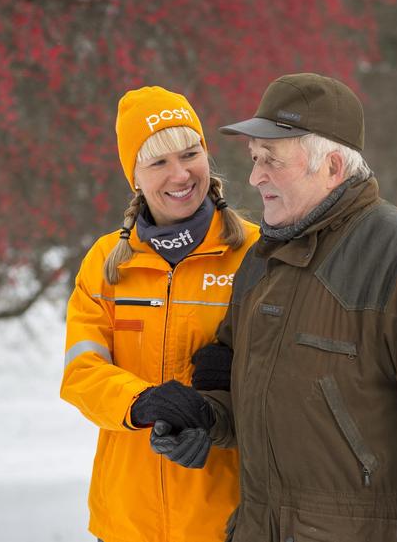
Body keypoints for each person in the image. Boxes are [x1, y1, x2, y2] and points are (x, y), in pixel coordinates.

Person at [145, 73, 397, 542]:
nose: (255, 177)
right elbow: (249, 388)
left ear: (332, 166)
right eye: (254, 159)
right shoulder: (261, 260)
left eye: (272, 160)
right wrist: (205, 417)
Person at [60, 86, 260, 542]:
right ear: (134, 176)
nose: (180, 174)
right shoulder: (106, 262)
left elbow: (286, 379)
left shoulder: (255, 253)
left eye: (190, 153)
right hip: (126, 521)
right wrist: (140, 402)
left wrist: (218, 408)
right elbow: (81, 372)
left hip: (229, 519)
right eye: (158, 162)